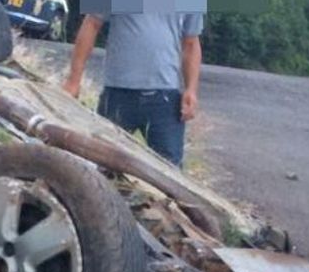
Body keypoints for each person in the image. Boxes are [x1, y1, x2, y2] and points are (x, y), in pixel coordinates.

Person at [62, 12, 203, 167]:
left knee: (169, 170)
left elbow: (191, 43)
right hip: (118, 95)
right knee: (102, 166)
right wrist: (74, 80)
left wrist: (191, 89)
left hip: (165, 101)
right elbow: (91, 23)